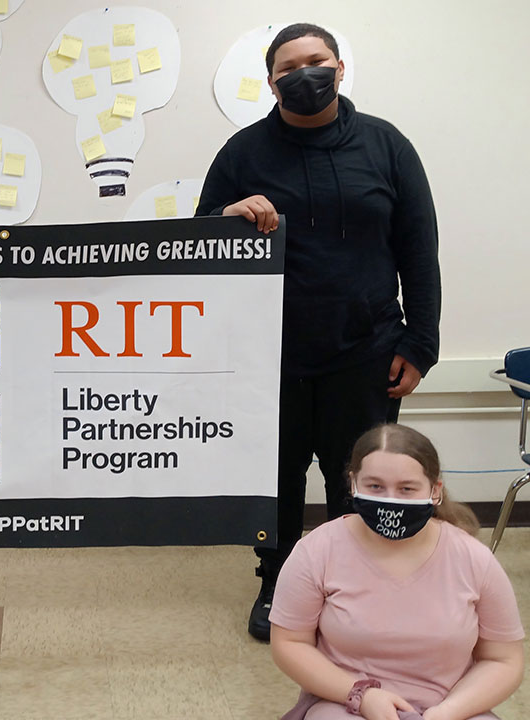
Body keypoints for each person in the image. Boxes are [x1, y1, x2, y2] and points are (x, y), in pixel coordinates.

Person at [195, 23, 441, 640]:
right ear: (271, 80)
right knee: (274, 477)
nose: (304, 74)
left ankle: (357, 585)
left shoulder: (387, 147)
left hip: (366, 349)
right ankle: (278, 581)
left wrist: (422, 343)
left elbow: (419, 250)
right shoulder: (242, 153)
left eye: (316, 61)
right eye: (289, 67)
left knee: (356, 476)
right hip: (269, 353)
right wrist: (227, 218)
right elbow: (195, 239)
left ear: (338, 67)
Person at [270, 424, 524, 720]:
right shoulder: (316, 551)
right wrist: (361, 695)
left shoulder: (473, 559)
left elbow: (504, 659)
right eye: (375, 486)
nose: (391, 499)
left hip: (451, 709)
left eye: (406, 488)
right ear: (353, 484)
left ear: (434, 490)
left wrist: (446, 713)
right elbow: (289, 643)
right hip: (343, 703)